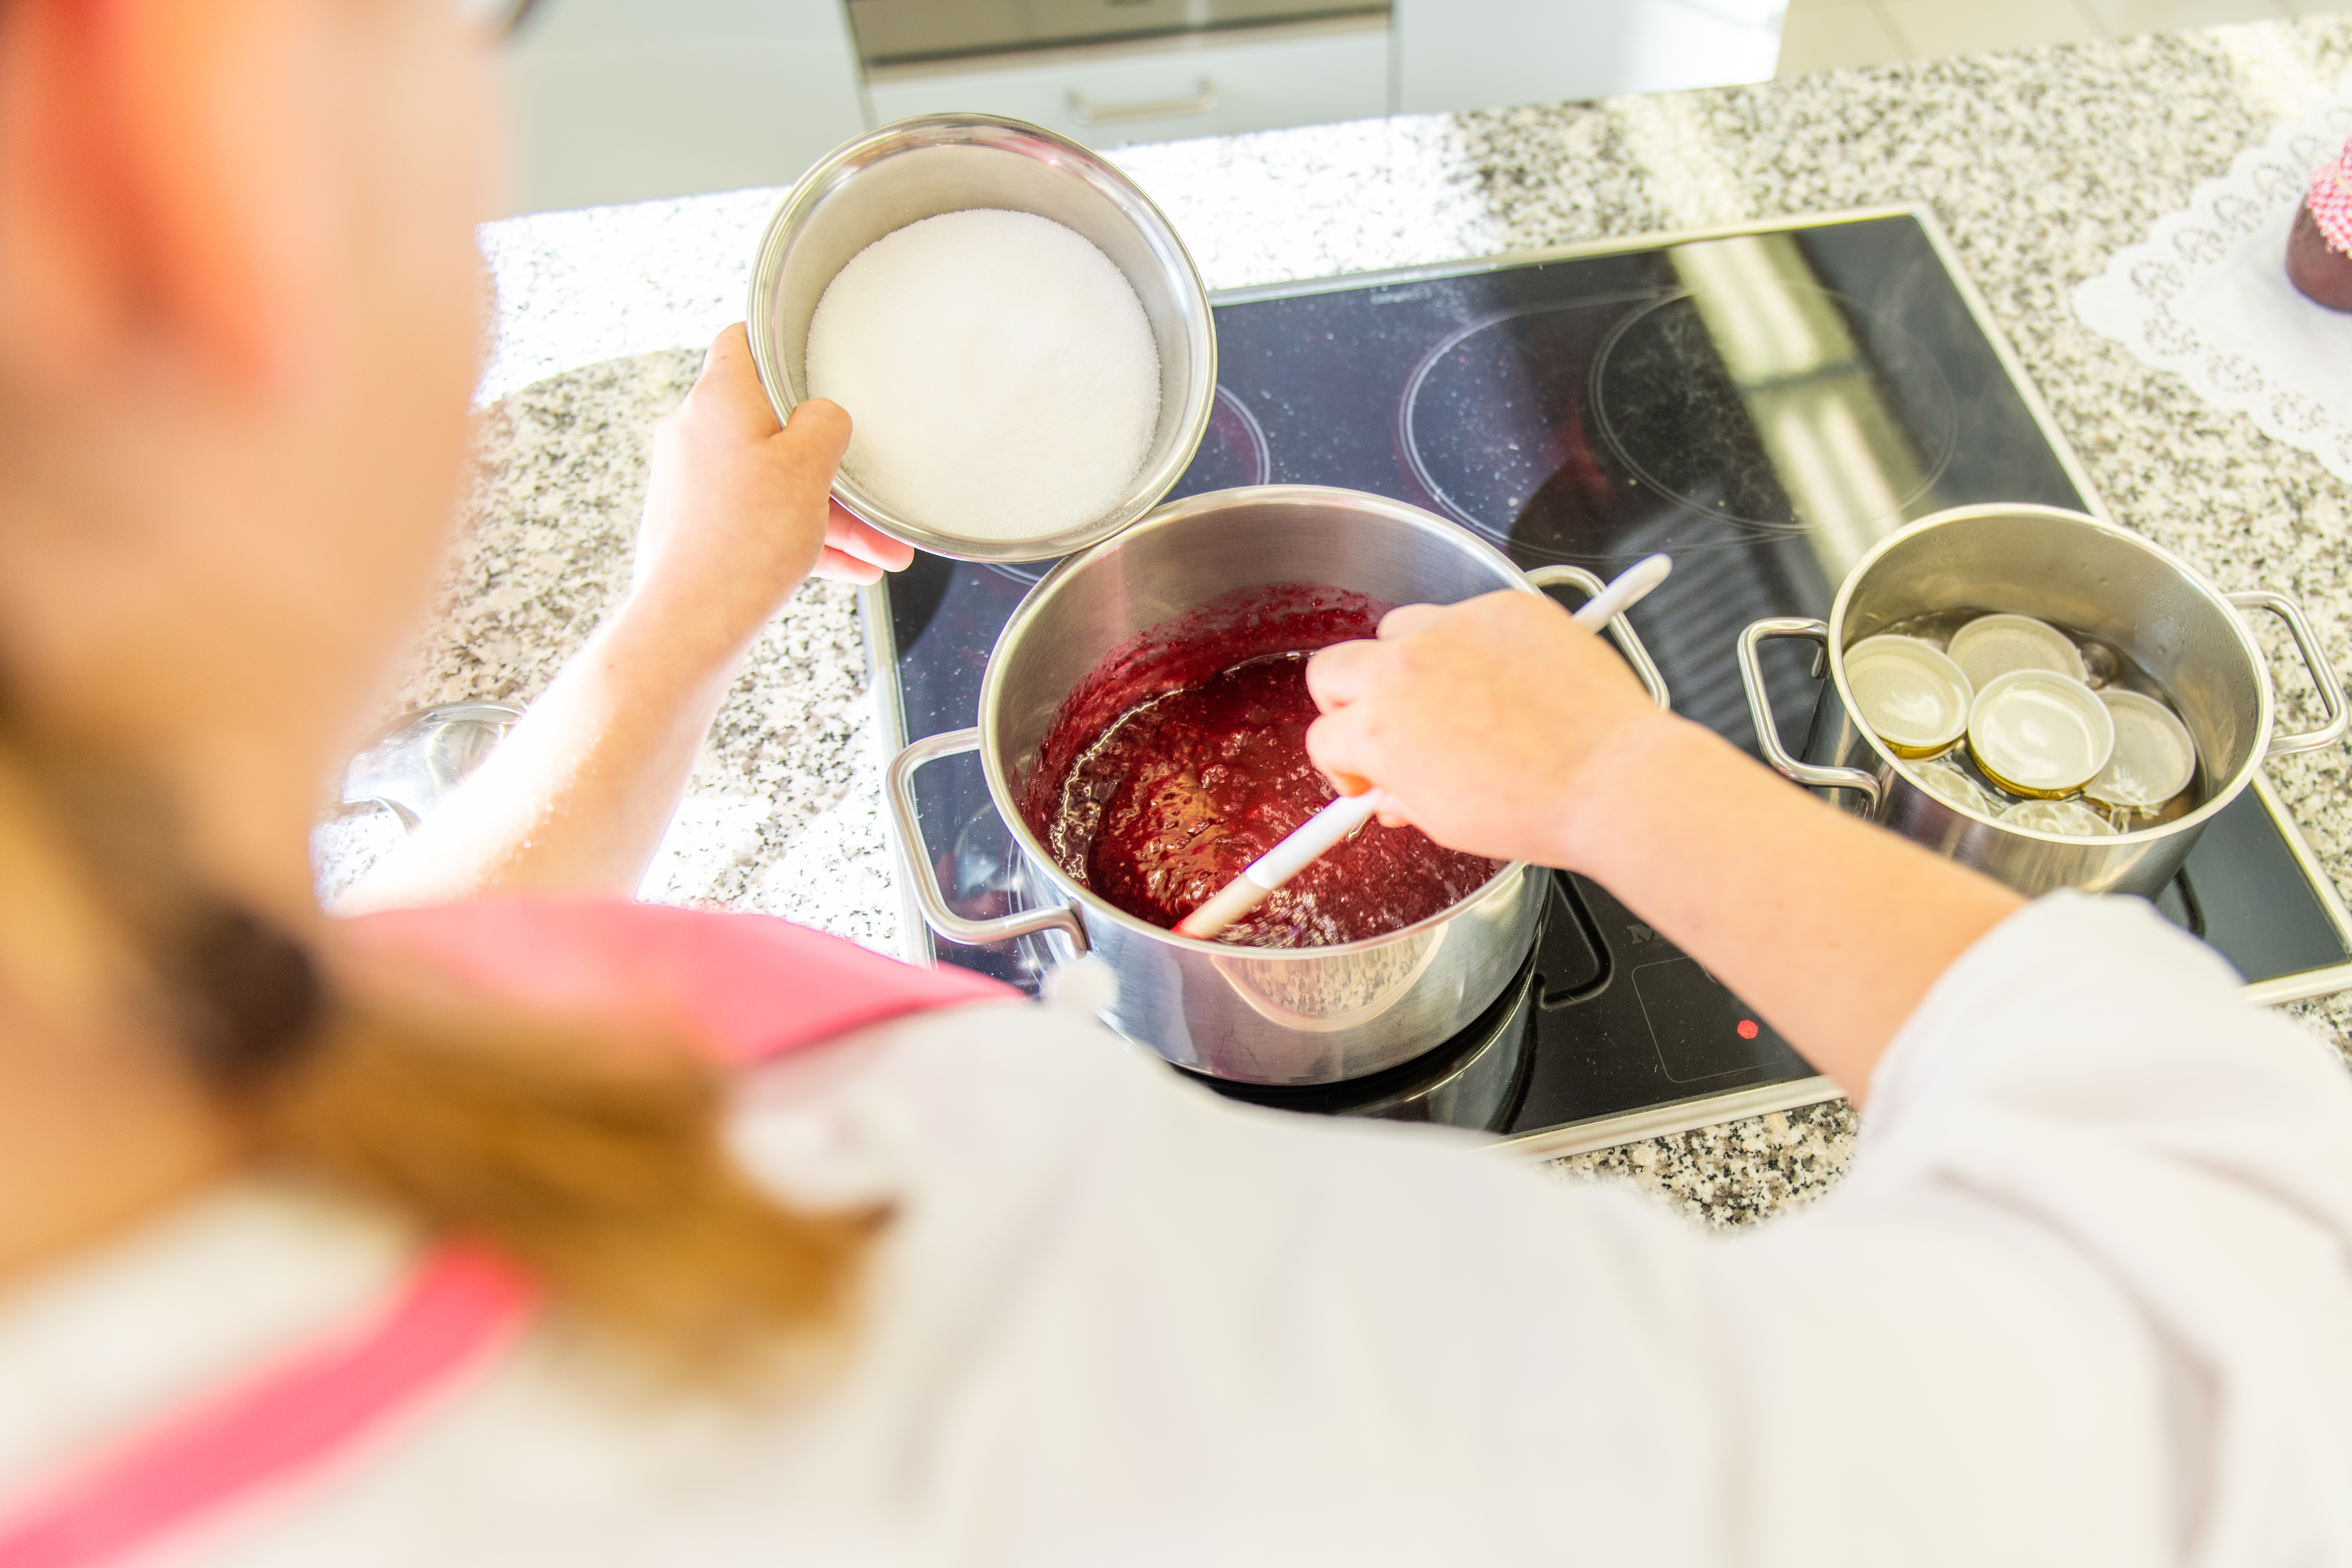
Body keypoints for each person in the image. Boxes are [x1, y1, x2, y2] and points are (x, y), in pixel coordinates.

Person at [1, 1, 2350, 1564]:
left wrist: (663, 643)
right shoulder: (1116, 1360)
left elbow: (404, 983)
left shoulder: (144, 1055)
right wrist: (1625, 784)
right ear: (175, 126)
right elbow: (2260, 1292)